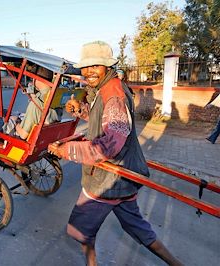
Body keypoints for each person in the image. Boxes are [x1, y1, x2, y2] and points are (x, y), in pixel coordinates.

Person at [48, 41, 182, 266]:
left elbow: (107, 146)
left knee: (79, 229)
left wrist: (66, 150)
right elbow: (104, 122)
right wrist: (81, 110)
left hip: (107, 181)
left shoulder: (114, 94)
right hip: (124, 178)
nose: (89, 72)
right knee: (139, 229)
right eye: (86, 67)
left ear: (107, 67)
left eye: (95, 66)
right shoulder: (106, 89)